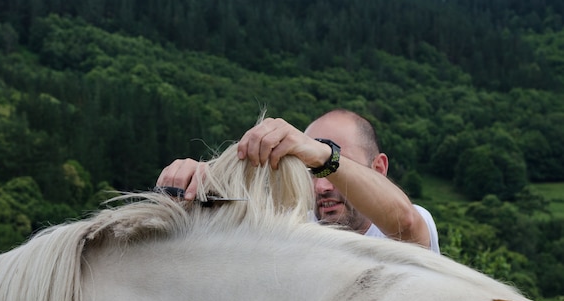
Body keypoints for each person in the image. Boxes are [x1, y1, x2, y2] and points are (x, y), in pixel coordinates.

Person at [157, 109, 440, 253]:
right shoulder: (296, 233)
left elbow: (405, 222)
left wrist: (322, 156)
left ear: (378, 167)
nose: (322, 185)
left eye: (339, 165)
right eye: (310, 170)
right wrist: (195, 190)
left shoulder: (411, 226)